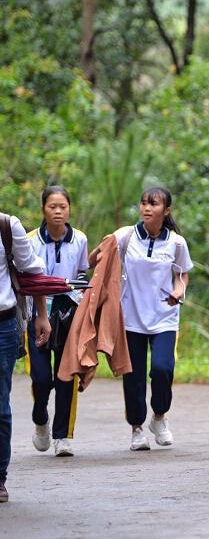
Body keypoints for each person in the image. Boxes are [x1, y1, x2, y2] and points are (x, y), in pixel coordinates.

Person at [88, 187, 192, 451]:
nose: (146, 208)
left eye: (153, 204)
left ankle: (159, 417)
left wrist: (179, 290)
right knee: (132, 376)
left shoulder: (176, 242)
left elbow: (182, 273)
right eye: (143, 203)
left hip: (165, 317)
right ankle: (136, 429)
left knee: (162, 368)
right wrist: (100, 253)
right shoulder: (126, 236)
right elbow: (99, 258)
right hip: (131, 317)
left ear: (166, 210)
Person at [26, 186, 89, 457]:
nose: (58, 211)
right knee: (41, 378)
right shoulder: (29, 240)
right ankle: (41, 418)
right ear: (43, 209)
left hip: (68, 313)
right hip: (37, 312)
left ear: (70, 209)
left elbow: (83, 277)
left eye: (63, 206)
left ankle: (62, 435)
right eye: (52, 206)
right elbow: (25, 275)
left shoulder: (80, 240)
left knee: (65, 376)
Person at [0, 211, 50, 503]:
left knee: (0, 405)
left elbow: (32, 271)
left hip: (3, 324)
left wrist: (41, 315)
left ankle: (0, 477)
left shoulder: (7, 226)